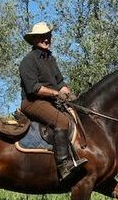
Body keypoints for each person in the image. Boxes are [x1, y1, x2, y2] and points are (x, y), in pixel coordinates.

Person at [18, 22, 87, 181]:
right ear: (35, 40)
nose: (46, 39)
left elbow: (61, 84)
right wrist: (56, 94)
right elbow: (33, 88)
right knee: (62, 121)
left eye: (48, 36)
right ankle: (64, 165)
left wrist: (75, 99)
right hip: (33, 103)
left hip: (50, 102)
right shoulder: (28, 61)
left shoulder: (51, 59)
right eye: (42, 37)